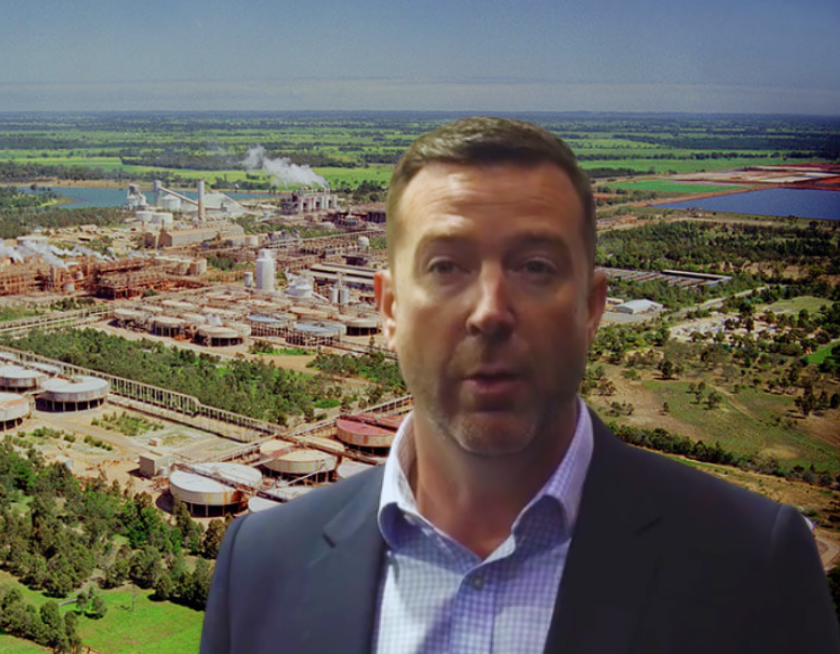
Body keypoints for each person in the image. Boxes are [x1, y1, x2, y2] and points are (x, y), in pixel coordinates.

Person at [200, 117, 840, 654]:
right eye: (446, 266)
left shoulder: (753, 567)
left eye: (536, 266)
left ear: (592, 308)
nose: (490, 311)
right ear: (389, 310)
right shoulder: (261, 565)